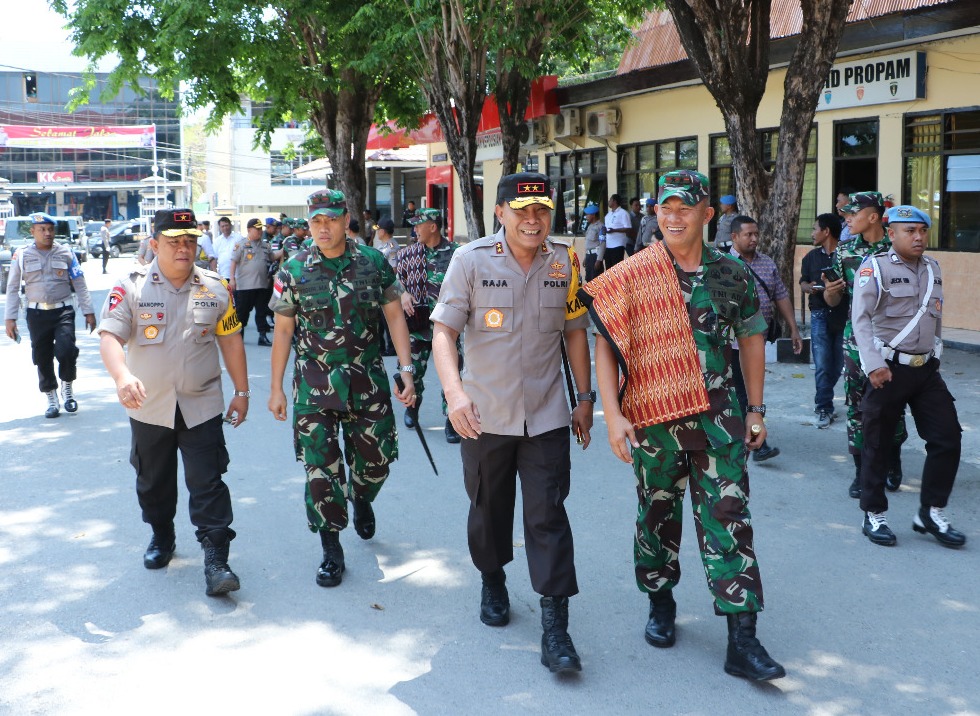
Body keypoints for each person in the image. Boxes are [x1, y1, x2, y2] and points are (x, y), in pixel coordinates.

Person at [581, 169, 785, 682]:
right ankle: (660, 600)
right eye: (665, 208)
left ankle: (743, 639)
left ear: (706, 215)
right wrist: (613, 416)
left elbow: (753, 337)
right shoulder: (634, 273)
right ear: (655, 214)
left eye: (685, 208)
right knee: (657, 516)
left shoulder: (731, 272)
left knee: (729, 518)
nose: (673, 217)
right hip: (653, 420)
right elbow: (606, 345)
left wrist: (756, 408)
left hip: (719, 419)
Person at [431, 172, 594, 675]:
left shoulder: (565, 262)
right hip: (485, 415)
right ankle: (493, 578)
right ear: (499, 212)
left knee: (548, 514)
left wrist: (584, 398)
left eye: (541, 210)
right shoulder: (470, 260)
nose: (532, 219)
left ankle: (555, 627)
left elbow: (573, 333)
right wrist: (455, 396)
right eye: (521, 210)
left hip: (545, 413)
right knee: (488, 508)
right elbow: (443, 332)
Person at [267, 189, 415, 589]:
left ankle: (363, 497)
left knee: (376, 461)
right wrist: (276, 388)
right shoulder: (293, 270)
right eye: (316, 221)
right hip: (314, 389)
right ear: (309, 223)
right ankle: (331, 548)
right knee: (320, 469)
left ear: (346, 218)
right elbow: (282, 332)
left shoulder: (372, 262)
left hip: (367, 383)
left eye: (330, 219)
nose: (323, 227)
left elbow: (395, 316)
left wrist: (407, 370)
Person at [97, 208, 250, 596]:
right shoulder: (131, 287)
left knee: (208, 481)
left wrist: (242, 391)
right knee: (153, 483)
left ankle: (216, 560)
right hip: (149, 406)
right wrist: (122, 376)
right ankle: (162, 535)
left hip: (201, 405)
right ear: (155, 245)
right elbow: (110, 337)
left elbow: (230, 341)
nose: (183, 248)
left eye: (190, 241)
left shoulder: (215, 288)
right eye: (173, 241)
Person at [851, 206, 965, 549]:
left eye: (922, 231)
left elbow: (935, 318)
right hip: (887, 370)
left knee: (947, 438)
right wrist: (873, 365)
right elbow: (861, 320)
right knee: (877, 443)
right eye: (910, 231)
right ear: (892, 234)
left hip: (925, 370)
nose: (918, 237)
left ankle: (930, 511)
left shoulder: (933, 269)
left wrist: (937, 356)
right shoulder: (876, 268)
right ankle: (874, 514)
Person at [824, 191, 907, 499]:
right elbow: (834, 298)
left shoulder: (899, 247)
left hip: (894, 339)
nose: (846, 217)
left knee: (892, 404)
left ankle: (893, 460)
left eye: (853, 213)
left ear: (873, 216)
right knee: (857, 405)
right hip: (855, 339)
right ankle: (862, 472)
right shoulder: (844, 250)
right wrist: (830, 293)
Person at [4, 212, 96, 418]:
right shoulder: (22, 255)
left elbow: (80, 283)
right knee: (41, 357)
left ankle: (67, 388)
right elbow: (12, 288)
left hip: (63, 311)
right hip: (36, 314)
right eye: (42, 230)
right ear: (33, 232)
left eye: (51, 229)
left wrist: (88, 311)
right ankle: (51, 398)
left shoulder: (66, 253)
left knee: (67, 351)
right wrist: (10, 319)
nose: (47, 233)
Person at [728, 214, 802, 462]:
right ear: (734, 236)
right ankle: (758, 443)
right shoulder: (723, 264)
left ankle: (746, 434)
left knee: (749, 392)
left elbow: (780, 295)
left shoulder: (766, 264)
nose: (754, 239)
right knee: (744, 393)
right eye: (748, 234)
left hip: (758, 340)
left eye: (756, 234)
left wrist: (793, 328)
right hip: (734, 342)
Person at [396, 208, 462, 443]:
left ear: (433, 226)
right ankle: (412, 406)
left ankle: (452, 419)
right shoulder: (407, 254)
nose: (415, 229)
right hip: (418, 325)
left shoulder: (457, 254)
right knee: (413, 371)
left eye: (418, 224)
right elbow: (393, 281)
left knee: (453, 373)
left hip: (450, 326)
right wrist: (403, 293)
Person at [799, 213, 847, 428]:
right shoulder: (810, 257)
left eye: (814, 228)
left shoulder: (846, 256)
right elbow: (803, 282)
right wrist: (809, 287)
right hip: (819, 314)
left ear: (826, 231)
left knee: (837, 365)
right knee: (821, 363)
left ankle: (825, 397)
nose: (812, 233)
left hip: (844, 315)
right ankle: (824, 407)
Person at [229, 218, 281, 346]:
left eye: (260, 228)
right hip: (245, 286)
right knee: (242, 312)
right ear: (249, 230)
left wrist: (285, 250)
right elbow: (233, 261)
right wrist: (232, 279)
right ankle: (238, 336)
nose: (259, 231)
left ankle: (262, 336)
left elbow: (273, 257)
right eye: (256, 229)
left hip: (262, 285)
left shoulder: (265, 245)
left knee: (261, 312)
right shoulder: (241, 244)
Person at [603, 193, 632, 269]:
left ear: (614, 201)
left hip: (618, 245)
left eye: (610, 200)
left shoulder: (623, 213)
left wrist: (614, 230)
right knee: (609, 268)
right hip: (608, 245)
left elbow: (628, 228)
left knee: (617, 268)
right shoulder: (608, 215)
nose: (609, 201)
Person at [212, 217, 241, 281]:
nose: (225, 228)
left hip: (237, 275)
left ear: (230, 225)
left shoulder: (239, 238)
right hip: (222, 275)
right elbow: (214, 258)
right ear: (220, 228)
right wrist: (215, 273)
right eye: (222, 226)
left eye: (226, 225)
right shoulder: (217, 241)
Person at [582, 204, 603, 281]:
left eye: (588, 214)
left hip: (595, 256)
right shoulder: (590, 226)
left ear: (593, 215)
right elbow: (588, 244)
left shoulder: (601, 226)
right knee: (588, 279)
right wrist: (585, 257)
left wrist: (599, 259)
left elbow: (602, 244)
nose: (586, 216)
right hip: (589, 256)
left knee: (595, 280)